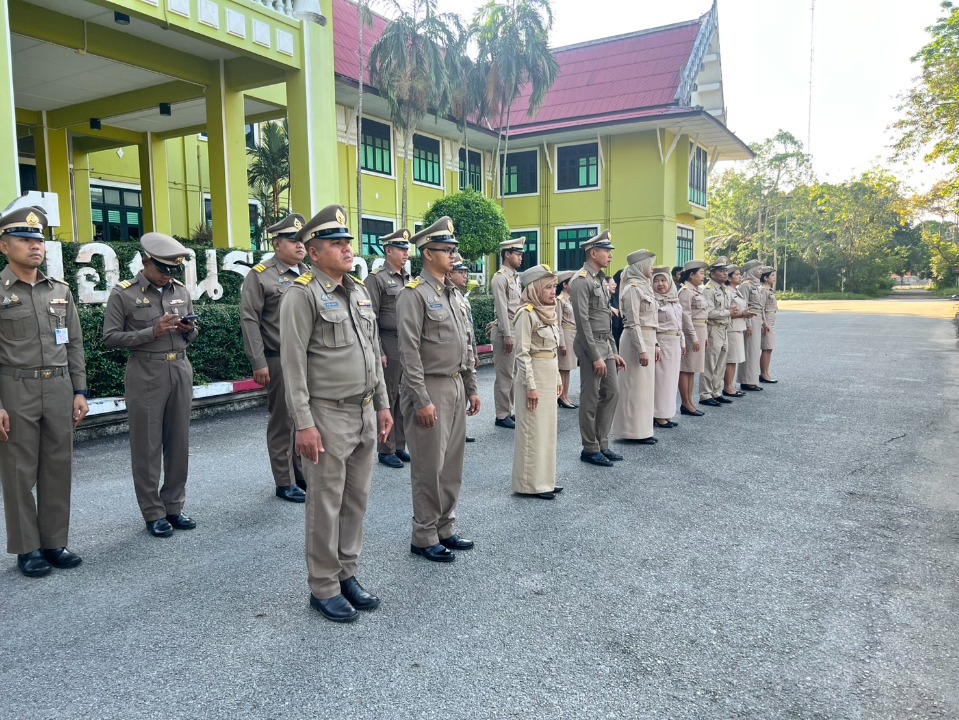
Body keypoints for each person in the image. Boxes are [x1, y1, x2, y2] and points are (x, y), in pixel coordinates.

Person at [279, 205, 392, 624]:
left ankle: (347, 573)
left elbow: (373, 352)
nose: (347, 248)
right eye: (336, 243)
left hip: (363, 411)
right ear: (313, 252)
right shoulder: (302, 294)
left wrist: (382, 404)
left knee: (356, 499)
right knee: (325, 503)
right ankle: (324, 586)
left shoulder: (358, 291)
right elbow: (292, 366)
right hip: (327, 414)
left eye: (347, 241)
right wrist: (304, 424)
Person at [0, 206, 88, 577]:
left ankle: (54, 542)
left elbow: (74, 343)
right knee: (19, 471)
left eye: (38, 240)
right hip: (15, 387)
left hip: (59, 387)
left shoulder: (60, 291)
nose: (35, 246)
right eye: (24, 239)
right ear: (4, 246)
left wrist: (80, 390)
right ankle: (27, 549)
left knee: (57, 466)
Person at [103, 233, 199, 538]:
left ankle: (174, 506)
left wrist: (188, 330)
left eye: (173, 270)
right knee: (147, 445)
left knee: (178, 442)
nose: (168, 275)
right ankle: (153, 512)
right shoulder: (124, 294)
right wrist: (151, 332)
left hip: (180, 368)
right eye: (162, 269)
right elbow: (110, 337)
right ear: (146, 262)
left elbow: (193, 332)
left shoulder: (180, 291)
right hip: (146, 371)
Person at [397, 217, 481, 563]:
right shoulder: (414, 294)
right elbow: (409, 352)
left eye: (453, 250)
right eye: (446, 250)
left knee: (451, 465)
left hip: (455, 383)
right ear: (428, 253)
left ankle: (445, 527)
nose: (453, 255)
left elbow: (466, 343)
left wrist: (471, 386)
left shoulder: (454, 295)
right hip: (429, 387)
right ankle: (424, 534)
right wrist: (421, 399)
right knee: (428, 467)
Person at [240, 213, 308, 502]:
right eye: (293, 240)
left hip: (308, 359)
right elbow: (250, 320)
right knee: (283, 420)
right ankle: (284, 480)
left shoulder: (308, 273)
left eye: (302, 240)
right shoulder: (261, 275)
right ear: (277, 244)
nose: (300, 245)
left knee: (305, 417)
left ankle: (301, 474)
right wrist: (258, 361)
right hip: (279, 358)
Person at [568, 231, 625, 467]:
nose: (610, 255)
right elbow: (583, 323)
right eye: (606, 251)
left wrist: (613, 350)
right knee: (590, 398)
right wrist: (595, 356)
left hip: (605, 344)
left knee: (612, 393)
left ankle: (602, 442)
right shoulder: (580, 280)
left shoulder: (600, 280)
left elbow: (604, 319)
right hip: (590, 346)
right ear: (593, 253)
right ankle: (589, 448)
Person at [511, 265, 563, 499]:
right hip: (533, 377)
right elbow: (522, 353)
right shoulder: (527, 313)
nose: (553, 292)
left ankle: (545, 479)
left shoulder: (548, 312)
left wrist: (558, 377)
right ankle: (530, 484)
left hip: (548, 375)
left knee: (547, 430)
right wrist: (530, 386)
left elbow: (552, 350)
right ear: (535, 289)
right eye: (548, 287)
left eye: (554, 287)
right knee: (532, 431)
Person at [365, 228, 412, 468]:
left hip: (405, 341)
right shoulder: (377, 279)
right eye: (401, 249)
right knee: (390, 395)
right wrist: (379, 351)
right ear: (389, 250)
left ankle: (399, 445)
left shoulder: (407, 278)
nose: (406, 253)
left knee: (404, 396)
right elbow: (370, 318)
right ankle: (386, 448)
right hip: (388, 341)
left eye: (407, 249)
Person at [611, 250, 659, 444]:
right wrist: (642, 349)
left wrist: (655, 344)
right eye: (650, 264)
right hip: (635, 341)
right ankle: (631, 431)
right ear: (640, 266)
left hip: (648, 337)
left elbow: (652, 320)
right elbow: (632, 322)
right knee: (634, 388)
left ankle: (643, 430)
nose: (652, 268)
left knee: (645, 388)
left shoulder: (645, 286)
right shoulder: (632, 288)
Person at [490, 237, 524, 429]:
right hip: (506, 330)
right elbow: (502, 308)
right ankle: (502, 414)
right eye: (517, 254)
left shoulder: (515, 277)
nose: (520, 258)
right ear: (507, 254)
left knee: (513, 373)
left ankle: (509, 411)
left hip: (515, 328)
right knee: (505, 374)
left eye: (520, 254)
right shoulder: (500, 278)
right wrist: (507, 334)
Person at [448, 253, 478, 443]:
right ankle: (453, 430)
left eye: (465, 272)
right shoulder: (448, 297)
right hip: (454, 355)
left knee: (466, 391)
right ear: (450, 274)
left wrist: (474, 350)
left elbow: (469, 329)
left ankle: (459, 428)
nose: (465, 276)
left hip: (467, 351)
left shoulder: (463, 298)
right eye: (460, 272)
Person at [652, 266, 684, 429]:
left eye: (663, 280)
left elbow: (679, 324)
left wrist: (682, 342)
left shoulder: (674, 299)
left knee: (672, 381)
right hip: (662, 342)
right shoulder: (652, 301)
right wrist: (655, 344)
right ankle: (658, 414)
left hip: (675, 342)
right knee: (662, 381)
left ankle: (668, 413)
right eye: (656, 281)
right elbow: (651, 326)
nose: (660, 284)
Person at [699, 257, 732, 408]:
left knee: (721, 363)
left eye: (726, 270)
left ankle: (716, 391)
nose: (725, 273)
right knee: (710, 363)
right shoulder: (709, 289)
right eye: (721, 271)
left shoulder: (723, 288)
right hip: (713, 328)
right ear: (713, 274)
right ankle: (705, 394)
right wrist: (728, 312)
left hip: (723, 328)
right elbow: (709, 312)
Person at [677, 260, 708, 417]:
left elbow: (703, 315)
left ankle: (690, 402)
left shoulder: (697, 290)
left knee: (692, 369)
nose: (703, 276)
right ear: (691, 275)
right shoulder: (686, 291)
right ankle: (685, 403)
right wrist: (694, 337)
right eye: (701, 273)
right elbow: (686, 316)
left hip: (700, 330)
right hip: (691, 332)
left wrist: (704, 336)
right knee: (686, 368)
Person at [736, 260, 766, 392]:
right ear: (751, 270)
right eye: (759, 269)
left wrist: (763, 322)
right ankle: (746, 381)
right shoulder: (745, 285)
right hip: (750, 319)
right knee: (749, 350)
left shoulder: (757, 285)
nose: (761, 271)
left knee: (754, 351)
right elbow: (744, 306)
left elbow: (760, 306)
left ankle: (752, 380)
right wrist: (748, 325)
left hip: (757, 319)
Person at [723, 265, 748, 398]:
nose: (739, 276)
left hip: (738, 327)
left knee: (735, 359)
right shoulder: (727, 291)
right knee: (731, 359)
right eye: (737, 274)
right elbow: (728, 312)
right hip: (731, 327)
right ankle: (727, 387)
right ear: (729, 277)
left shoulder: (736, 290)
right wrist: (743, 314)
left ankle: (730, 386)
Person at [555, 271, 578, 409]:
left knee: (568, 369)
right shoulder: (560, 300)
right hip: (565, 335)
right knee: (563, 368)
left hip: (572, 335)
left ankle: (566, 395)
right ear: (564, 285)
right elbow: (558, 323)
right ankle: (561, 396)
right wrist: (562, 343)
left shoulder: (571, 299)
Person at [760, 267, 779, 383]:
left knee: (769, 348)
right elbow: (761, 308)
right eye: (772, 275)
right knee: (767, 348)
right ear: (765, 278)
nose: (774, 277)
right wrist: (764, 323)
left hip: (771, 322)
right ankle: (764, 374)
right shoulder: (763, 290)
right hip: (767, 323)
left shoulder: (769, 290)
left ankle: (766, 372)